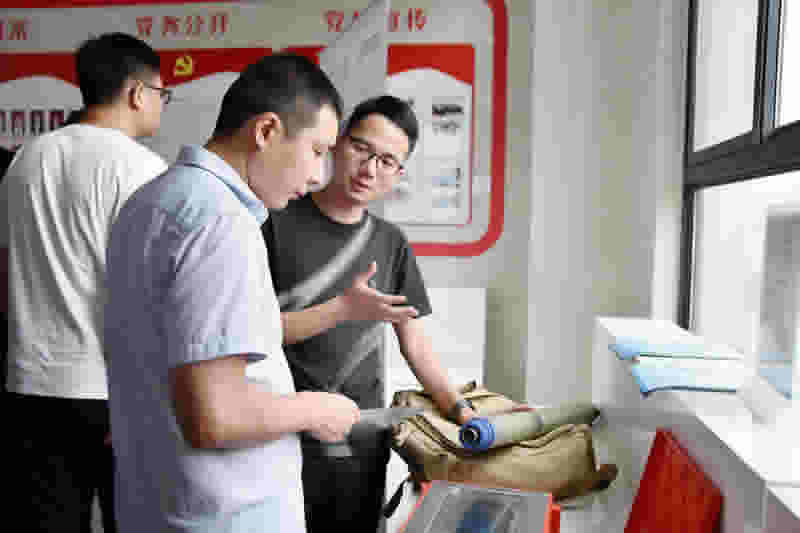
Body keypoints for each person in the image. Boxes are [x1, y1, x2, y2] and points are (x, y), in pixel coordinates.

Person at [104, 53, 360, 533]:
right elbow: (214, 418)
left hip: (152, 503)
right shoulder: (221, 222)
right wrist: (315, 409)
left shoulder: (148, 202)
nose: (317, 175)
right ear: (266, 130)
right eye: (317, 151)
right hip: (225, 515)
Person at [262, 94, 477, 533]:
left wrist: (458, 407)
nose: (369, 169)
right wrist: (341, 310)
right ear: (338, 141)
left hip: (360, 436)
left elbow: (415, 343)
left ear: (399, 173)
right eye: (362, 149)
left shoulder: (391, 243)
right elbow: (252, 331)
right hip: (281, 434)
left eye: (387, 161)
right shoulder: (275, 223)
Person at [0, 33, 168, 533]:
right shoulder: (142, 169)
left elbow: (6, 274)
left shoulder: (26, 159)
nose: (161, 104)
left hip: (29, 383)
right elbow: (145, 298)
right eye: (162, 93)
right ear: (137, 92)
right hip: (110, 391)